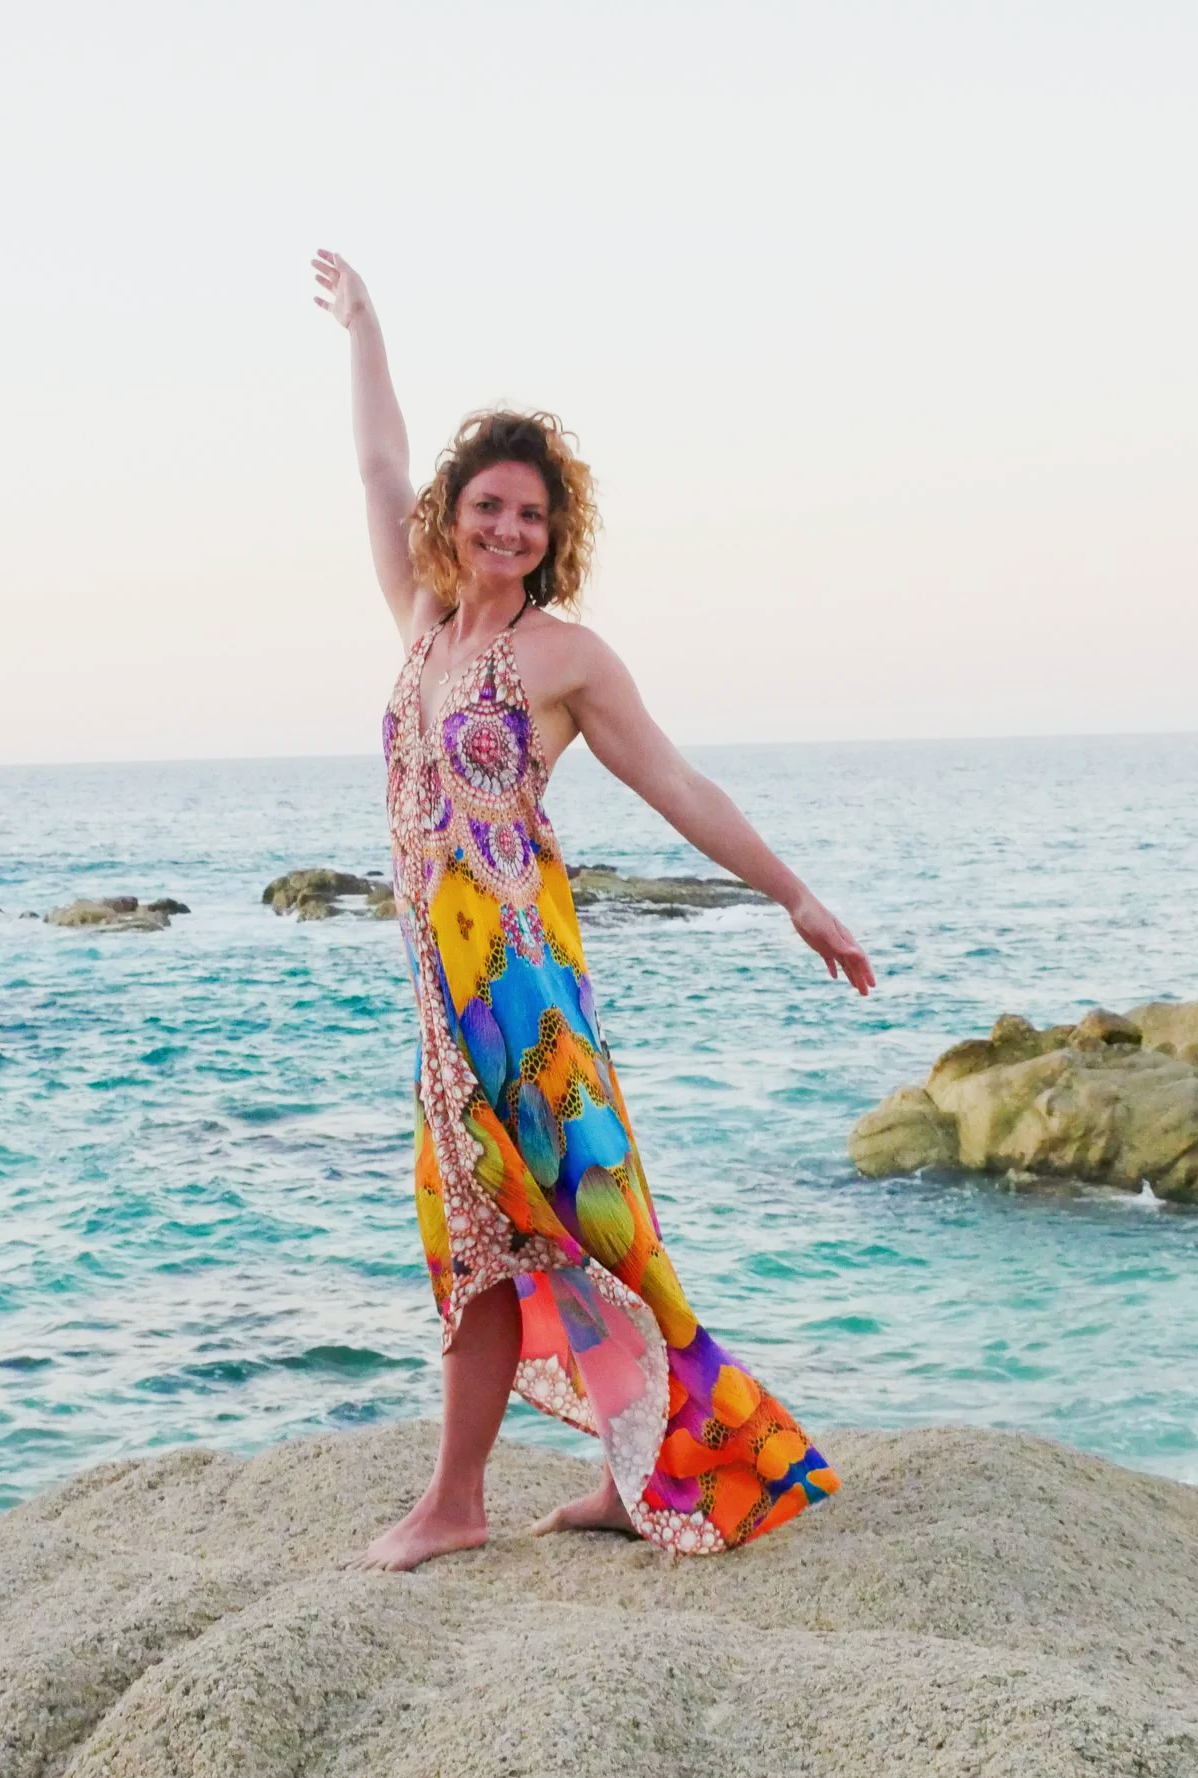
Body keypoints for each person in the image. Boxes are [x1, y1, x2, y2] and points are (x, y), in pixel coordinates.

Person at [313, 249, 874, 1570]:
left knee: (573, 1228)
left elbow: (675, 780)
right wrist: (367, 327)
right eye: (490, 508)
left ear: (555, 539)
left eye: (533, 519)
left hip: (525, 995)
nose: (509, 531)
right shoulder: (420, 625)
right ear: (455, 515)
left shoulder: (566, 659)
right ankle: (588, 1477)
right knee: (486, 1235)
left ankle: (485, 1495)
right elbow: (378, 467)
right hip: (443, 1006)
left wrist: (793, 894)